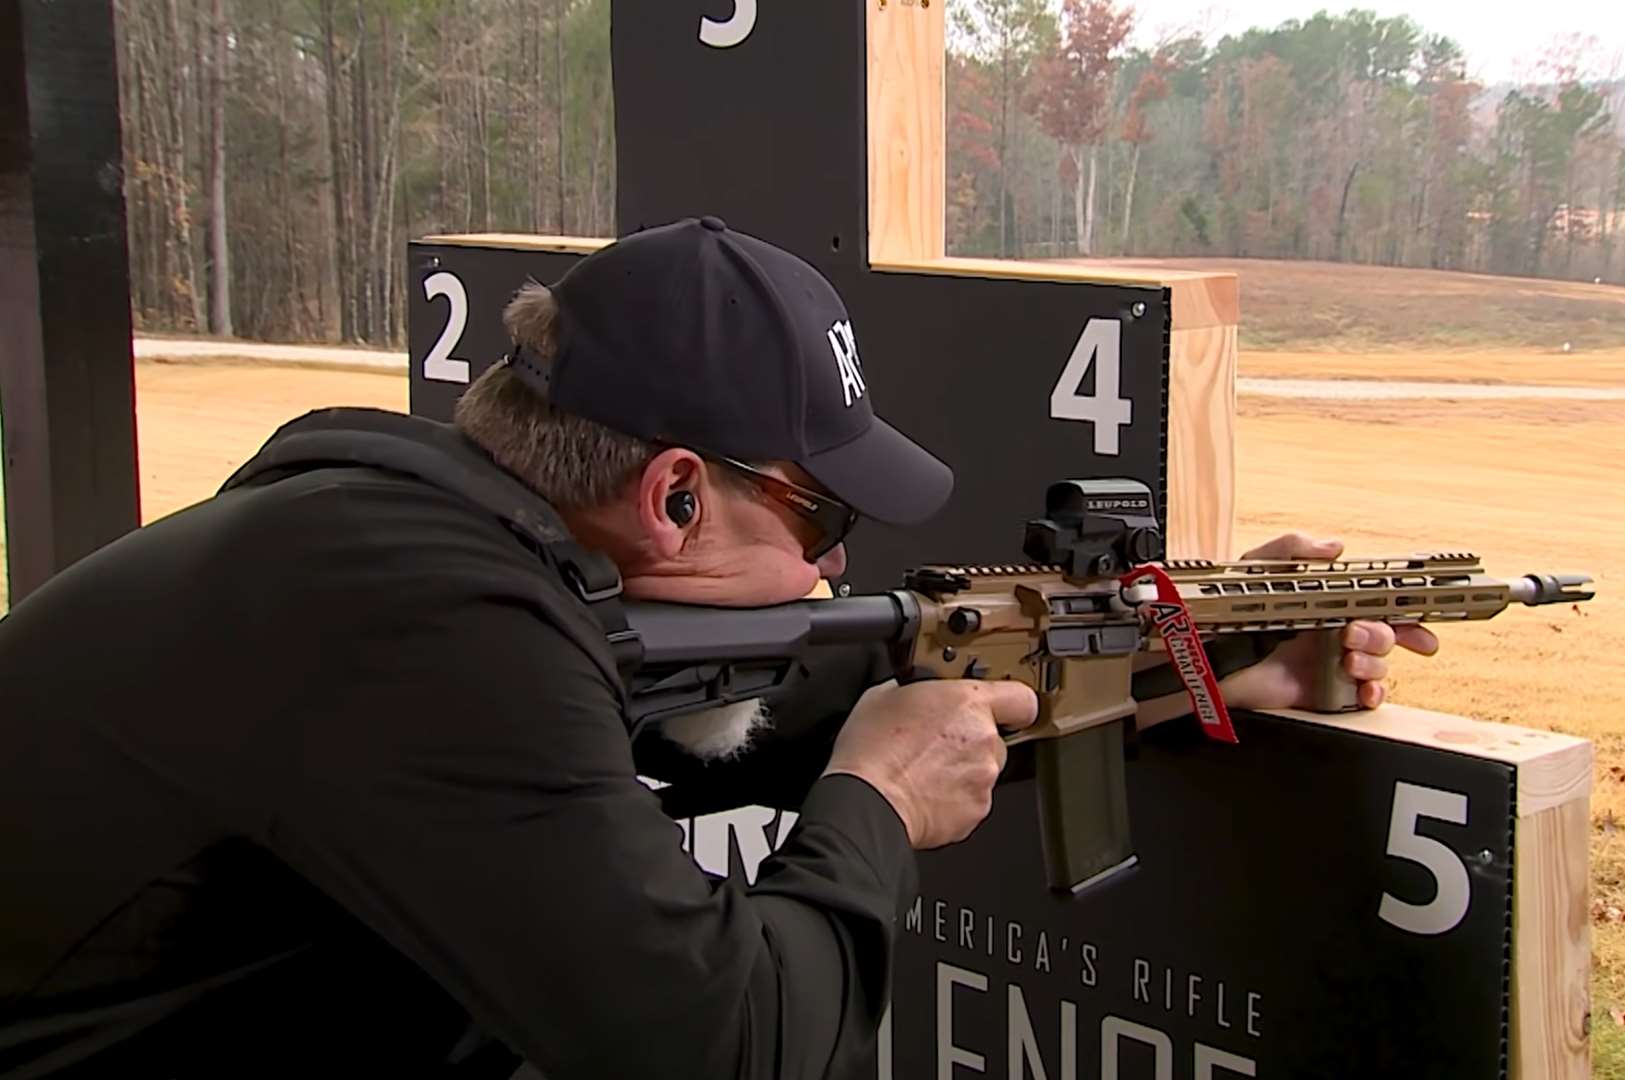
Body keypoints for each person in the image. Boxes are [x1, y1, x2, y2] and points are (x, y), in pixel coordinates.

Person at [0, 217, 1436, 1079]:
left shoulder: (390, 552)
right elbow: (723, 1047)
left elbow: (759, 690)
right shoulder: (428, 628)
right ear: (675, 494)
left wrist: (1202, 655)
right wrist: (874, 808)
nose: (831, 570)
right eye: (819, 519)